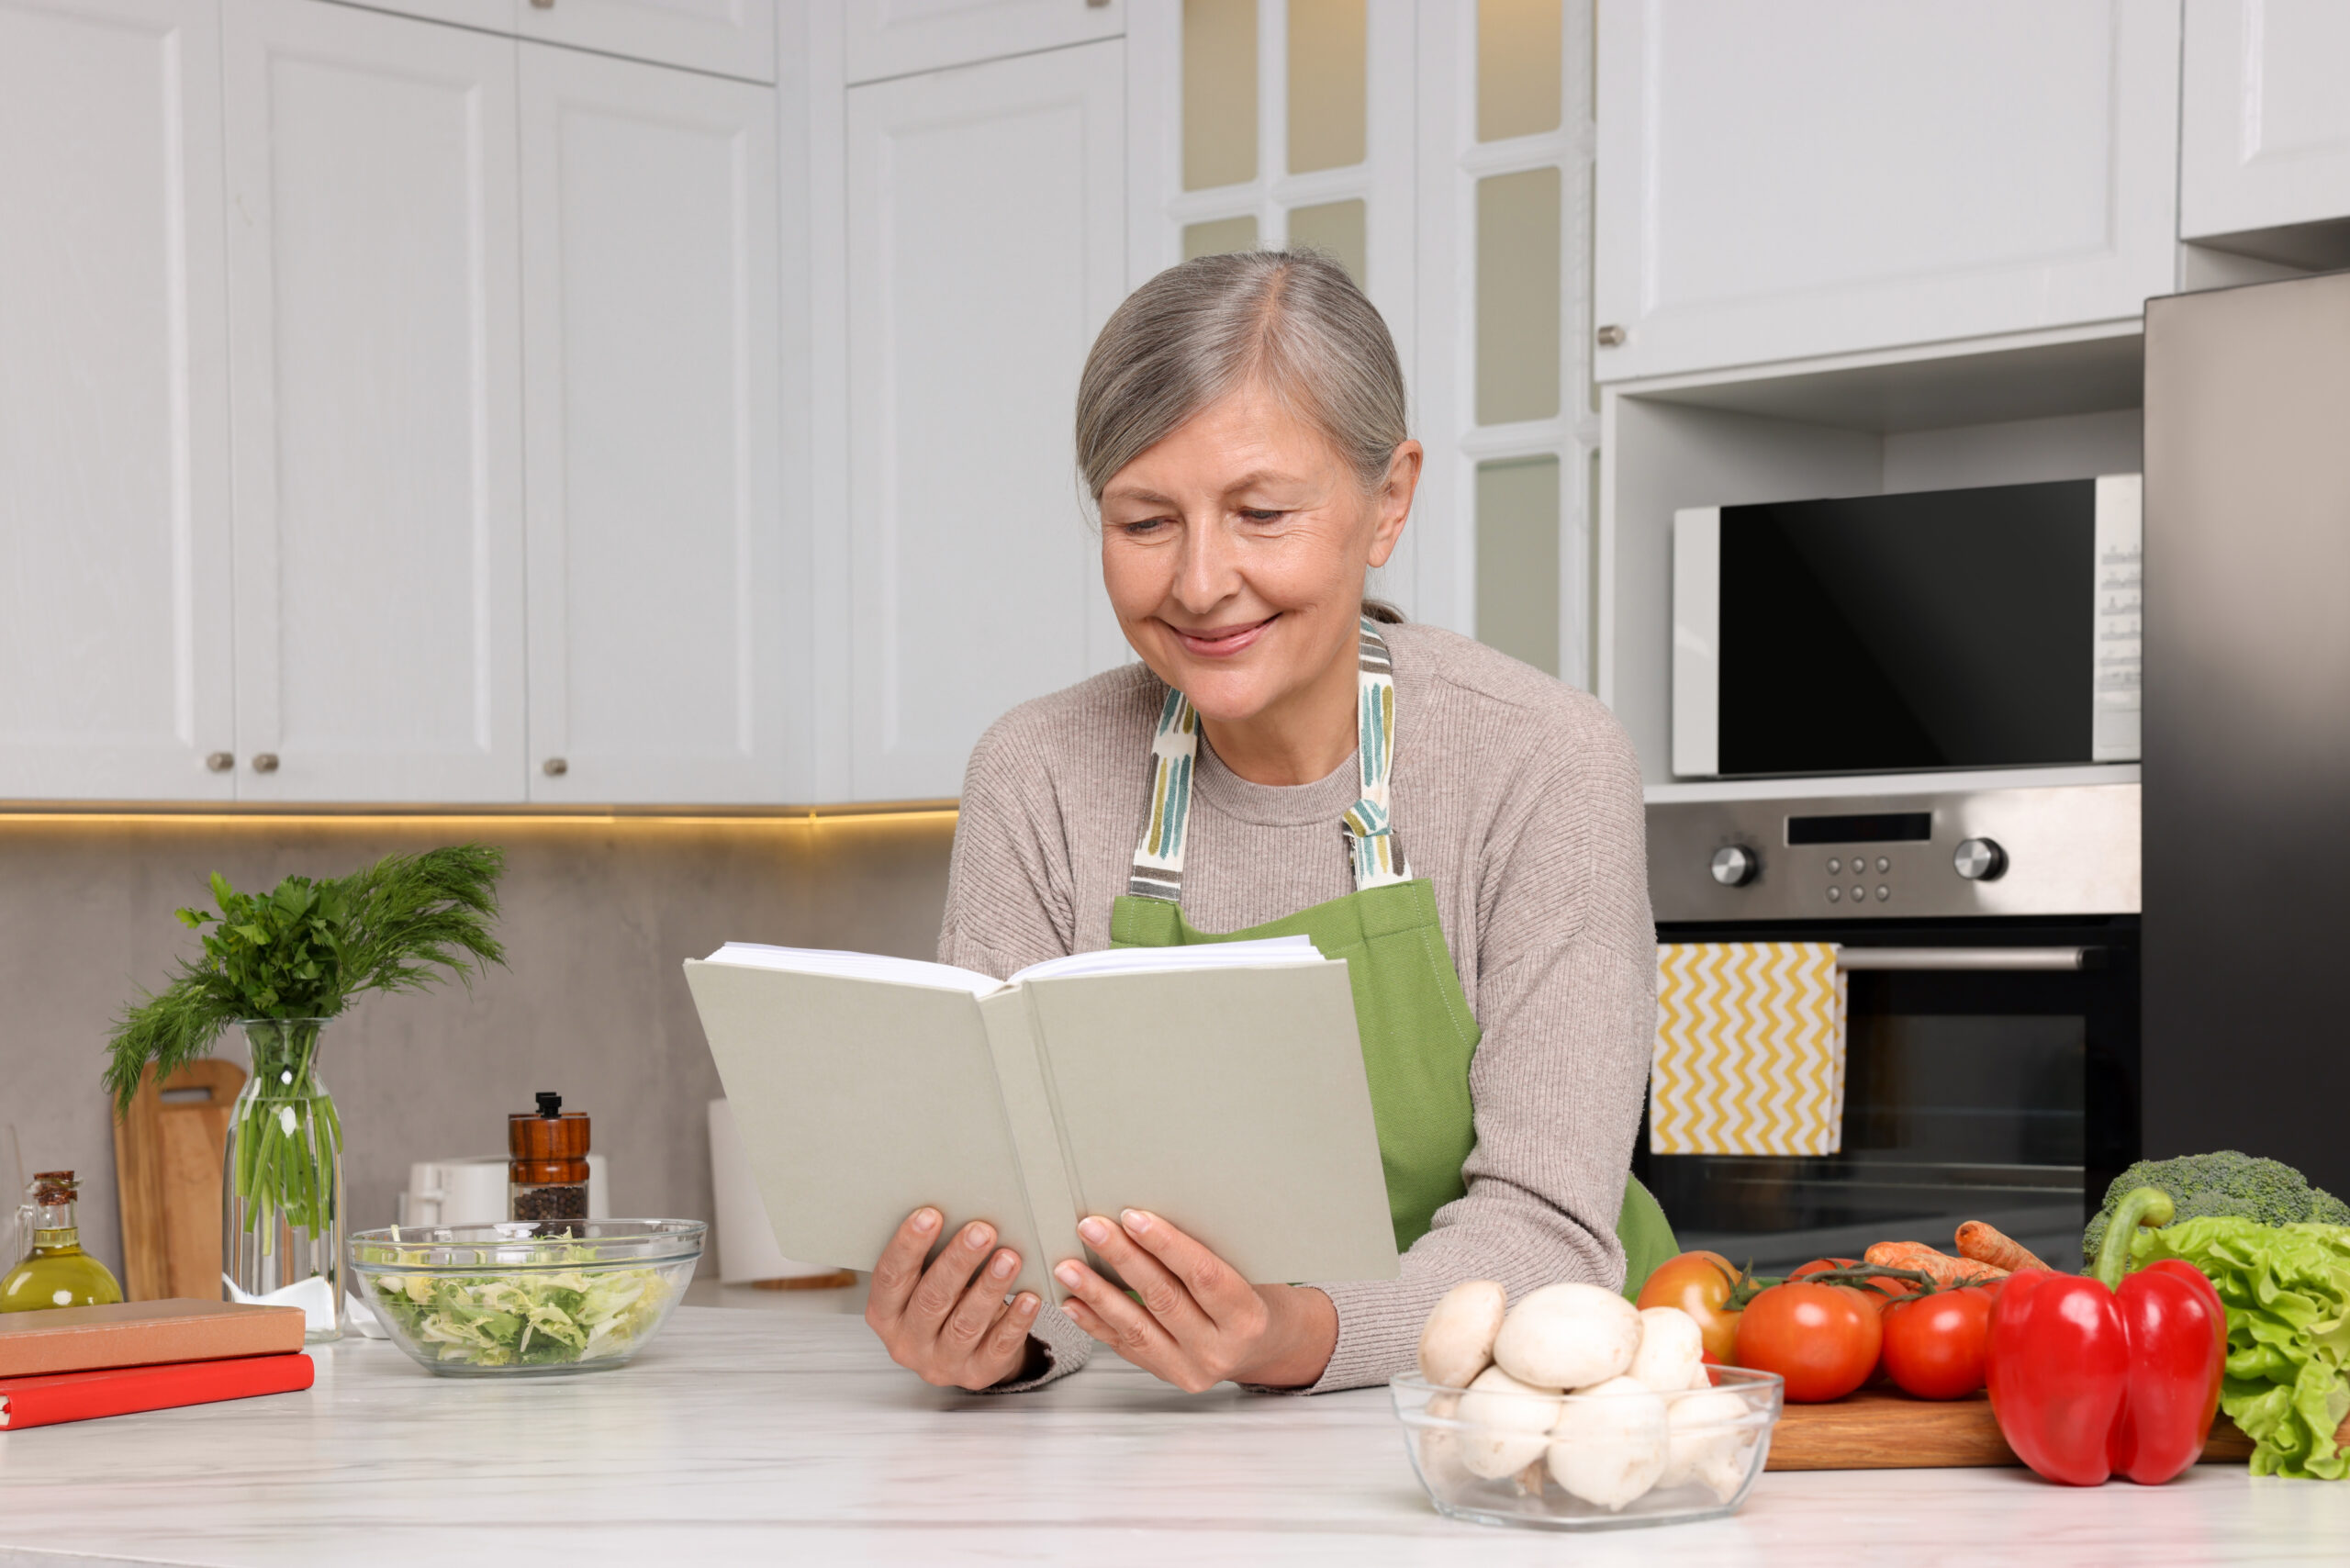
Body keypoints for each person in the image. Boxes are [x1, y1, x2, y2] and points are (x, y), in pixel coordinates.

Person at [862, 249, 1671, 1395]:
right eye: (1146, 521)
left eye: (1261, 513)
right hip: (1180, 1428)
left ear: (1388, 500)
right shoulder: (1036, 772)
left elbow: (1546, 1225)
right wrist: (995, 1337)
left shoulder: (1542, 760)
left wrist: (1288, 1335)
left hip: (1531, 1410)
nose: (1200, 583)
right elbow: (1023, 1221)